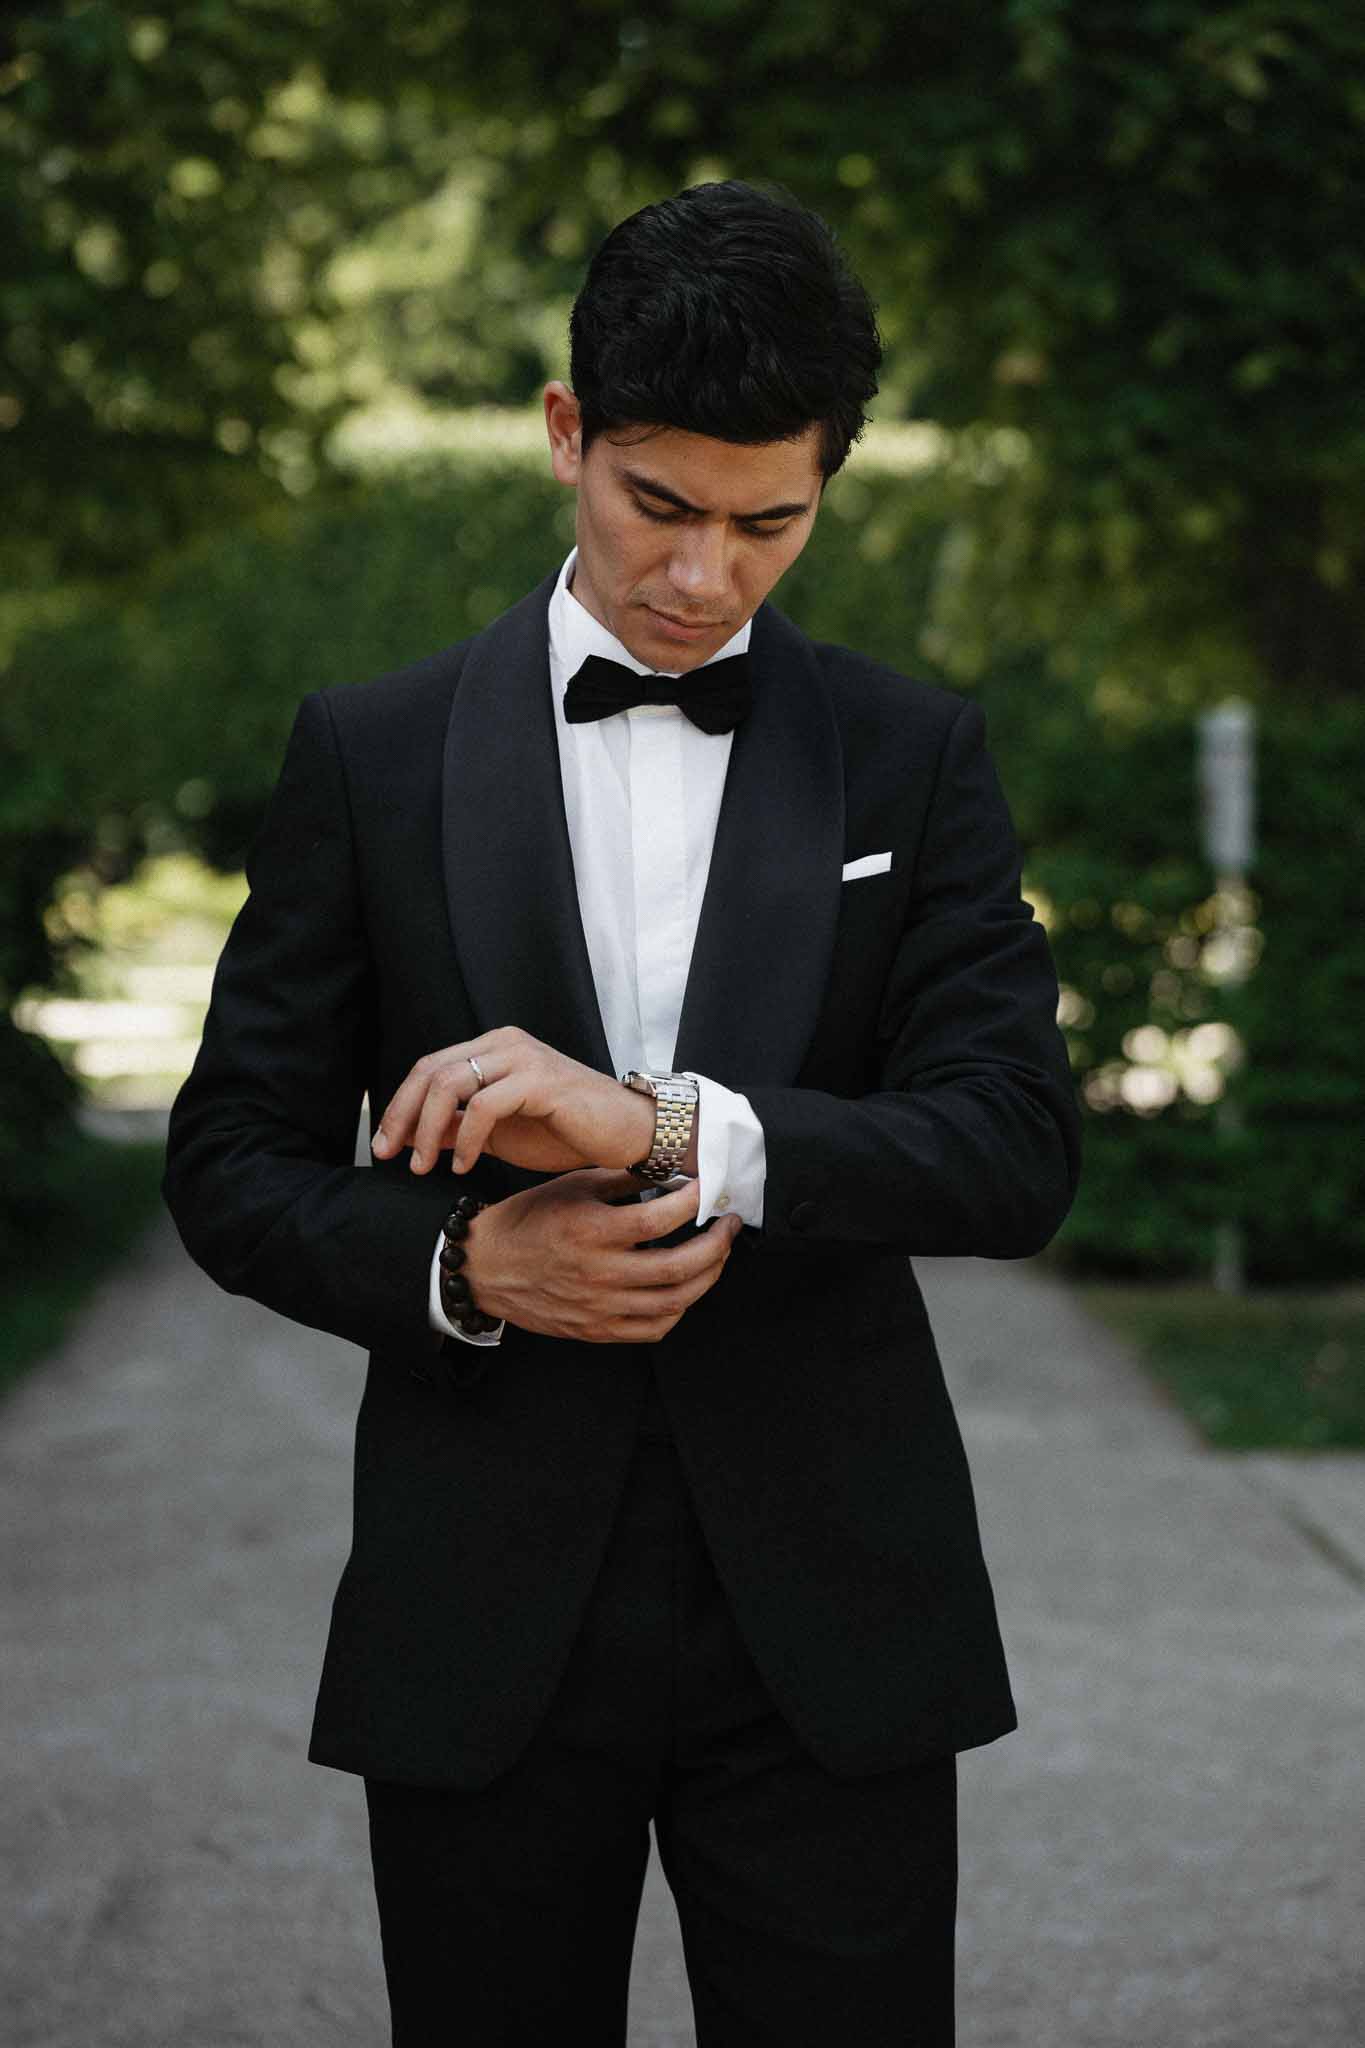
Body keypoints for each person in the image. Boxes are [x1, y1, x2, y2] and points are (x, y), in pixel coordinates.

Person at [162, 178, 1080, 2047]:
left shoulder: (915, 752)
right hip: (483, 1610)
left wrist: (666, 1135)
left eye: (771, 523)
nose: (704, 578)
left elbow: (1011, 1147)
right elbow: (229, 1164)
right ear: (566, 434)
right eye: (658, 507)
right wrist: (464, 1261)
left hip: (830, 1616)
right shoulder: (370, 750)